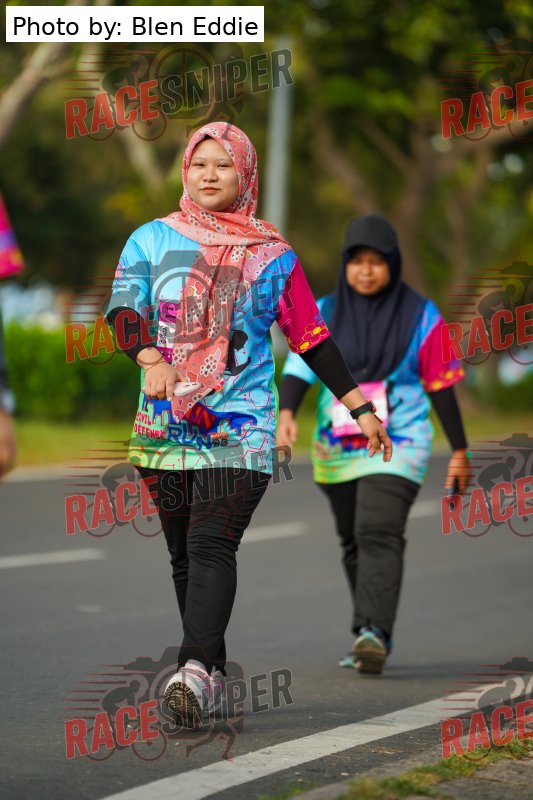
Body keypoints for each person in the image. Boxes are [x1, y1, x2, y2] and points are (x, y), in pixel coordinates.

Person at [106, 124, 392, 726]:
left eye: (224, 165)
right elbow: (124, 311)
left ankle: (190, 671)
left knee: (212, 543)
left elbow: (312, 339)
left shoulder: (274, 255)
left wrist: (360, 408)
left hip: (243, 427)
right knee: (184, 556)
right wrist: (150, 359)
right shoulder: (150, 240)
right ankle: (209, 675)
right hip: (165, 426)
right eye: (200, 163)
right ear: (185, 170)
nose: (209, 175)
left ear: (246, 175)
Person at [277, 214, 470, 675]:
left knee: (377, 529)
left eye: (377, 262)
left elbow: (441, 384)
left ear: (393, 264)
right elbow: (301, 368)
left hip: (400, 442)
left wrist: (460, 450)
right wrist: (287, 413)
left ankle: (375, 633)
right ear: (345, 264)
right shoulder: (323, 309)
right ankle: (366, 628)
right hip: (337, 446)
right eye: (357, 261)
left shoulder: (422, 315)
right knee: (352, 539)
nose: (366, 271)